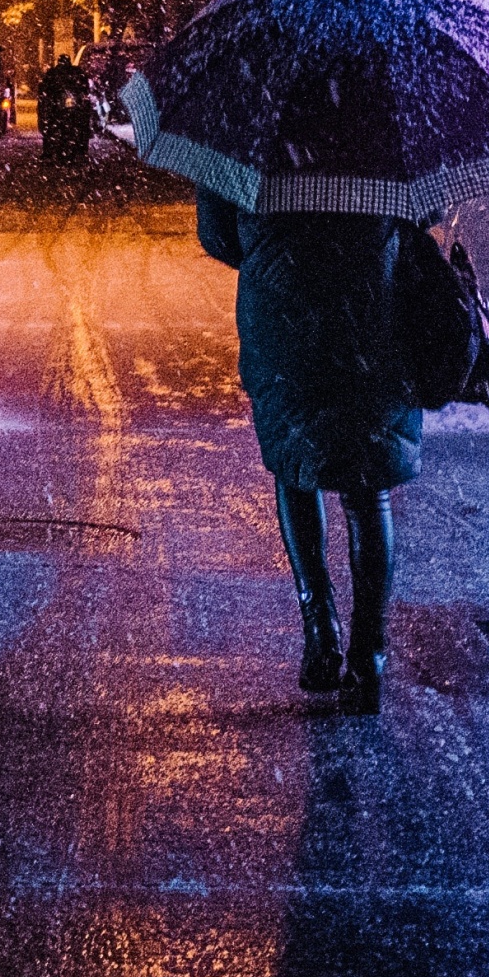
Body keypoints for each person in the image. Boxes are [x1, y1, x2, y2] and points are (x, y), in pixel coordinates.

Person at [195, 189, 421, 716]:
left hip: (283, 316)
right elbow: (420, 217)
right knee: (369, 490)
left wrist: (282, 254)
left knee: (297, 467)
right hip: (373, 317)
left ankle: (320, 628)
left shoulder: (258, 121)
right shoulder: (380, 123)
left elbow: (219, 234)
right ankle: (369, 659)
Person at [37, 52, 92, 163]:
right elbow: (44, 89)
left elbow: (85, 86)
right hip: (58, 105)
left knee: (82, 122)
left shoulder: (74, 73)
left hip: (71, 106)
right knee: (49, 124)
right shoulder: (55, 73)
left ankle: (79, 148)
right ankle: (49, 150)